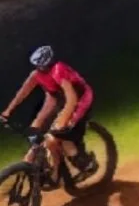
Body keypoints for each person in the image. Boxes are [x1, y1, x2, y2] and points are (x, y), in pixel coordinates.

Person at [1, 46, 97, 185]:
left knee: (59, 136)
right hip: (57, 100)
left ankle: (85, 165)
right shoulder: (36, 75)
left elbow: (71, 99)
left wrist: (62, 123)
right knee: (35, 131)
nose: (42, 69)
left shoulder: (59, 69)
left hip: (79, 99)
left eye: (44, 66)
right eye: (39, 66)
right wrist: (7, 112)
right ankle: (33, 167)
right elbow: (23, 93)